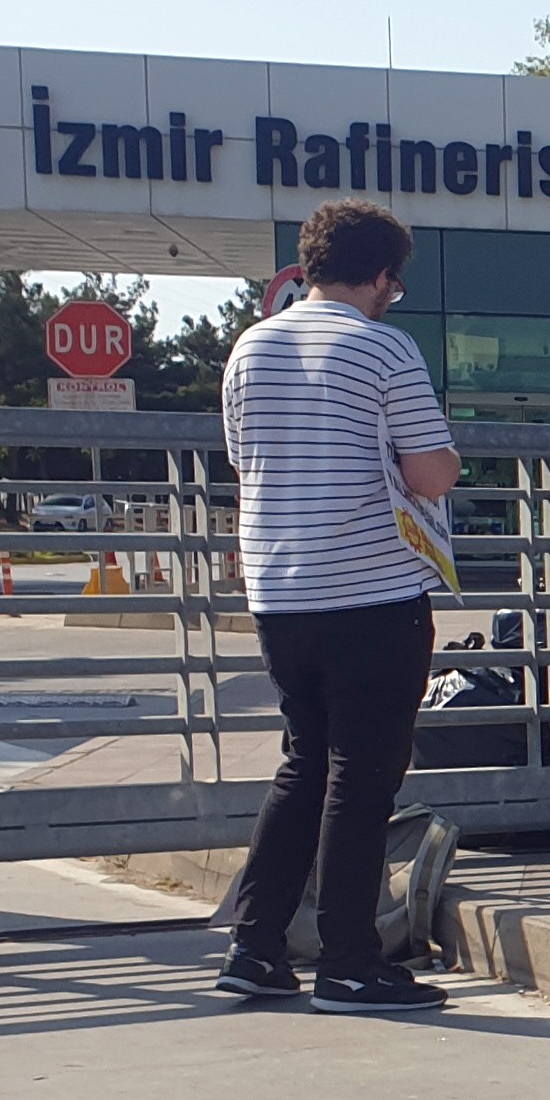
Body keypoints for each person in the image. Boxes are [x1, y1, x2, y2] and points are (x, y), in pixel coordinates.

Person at [218, 200, 463, 1012]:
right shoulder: (382, 347)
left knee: (303, 764)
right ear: (383, 277)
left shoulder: (250, 349)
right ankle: (349, 962)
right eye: (396, 282)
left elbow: (243, 459)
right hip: (370, 591)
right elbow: (429, 473)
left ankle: (254, 945)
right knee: (362, 781)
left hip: (280, 594)